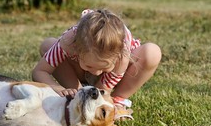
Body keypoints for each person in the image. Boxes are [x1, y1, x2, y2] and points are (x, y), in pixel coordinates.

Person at [32, 8, 161, 119]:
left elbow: (102, 90)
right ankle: (78, 93)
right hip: (78, 74)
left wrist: (102, 97)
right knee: (47, 44)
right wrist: (58, 89)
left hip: (114, 77)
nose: (95, 72)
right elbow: (39, 72)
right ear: (77, 49)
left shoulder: (123, 54)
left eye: (103, 67)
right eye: (89, 65)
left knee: (152, 52)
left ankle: (116, 100)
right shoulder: (69, 42)